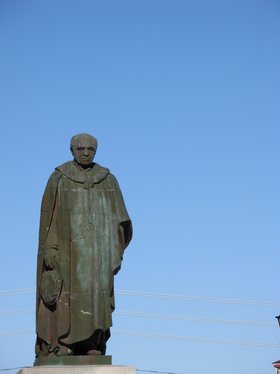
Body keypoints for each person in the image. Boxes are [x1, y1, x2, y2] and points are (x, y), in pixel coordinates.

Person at [35, 133, 132, 358]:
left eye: (90, 149)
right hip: (68, 252)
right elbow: (50, 218)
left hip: (99, 253)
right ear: (72, 150)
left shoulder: (107, 179)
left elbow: (121, 218)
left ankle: (92, 343)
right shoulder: (59, 178)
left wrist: (113, 248)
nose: (86, 153)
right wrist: (50, 247)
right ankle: (63, 344)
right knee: (65, 296)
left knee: (96, 298)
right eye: (81, 149)